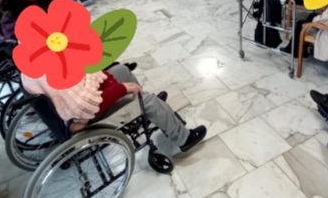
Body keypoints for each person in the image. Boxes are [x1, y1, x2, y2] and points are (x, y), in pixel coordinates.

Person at [21, 63, 207, 152]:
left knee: (122, 70)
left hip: (70, 109)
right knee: (149, 101)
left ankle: (144, 107)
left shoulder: (32, 62)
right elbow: (85, 105)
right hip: (82, 120)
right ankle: (184, 138)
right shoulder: (51, 70)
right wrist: (122, 88)